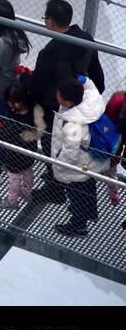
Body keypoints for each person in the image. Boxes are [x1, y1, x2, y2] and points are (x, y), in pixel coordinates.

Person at [27, 0, 106, 201]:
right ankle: (79, 197)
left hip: (54, 107)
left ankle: (55, 190)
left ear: (51, 22)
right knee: (76, 150)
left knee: (52, 146)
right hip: (80, 103)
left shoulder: (49, 53)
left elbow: (39, 85)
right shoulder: (85, 39)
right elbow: (97, 75)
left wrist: (30, 104)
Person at [49, 76, 109, 237]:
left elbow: (69, 152)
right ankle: (91, 211)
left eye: (59, 94)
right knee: (88, 185)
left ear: (68, 102)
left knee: (77, 194)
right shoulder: (90, 99)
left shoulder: (72, 124)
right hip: (89, 161)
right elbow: (90, 85)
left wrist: (58, 167)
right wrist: (81, 79)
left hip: (76, 166)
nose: (56, 96)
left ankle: (78, 226)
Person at [0, 83, 39, 209]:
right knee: (28, 171)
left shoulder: (13, 121)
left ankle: (12, 200)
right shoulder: (32, 112)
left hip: (14, 156)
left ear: (17, 104)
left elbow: (3, 136)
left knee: (14, 177)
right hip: (29, 152)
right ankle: (27, 192)